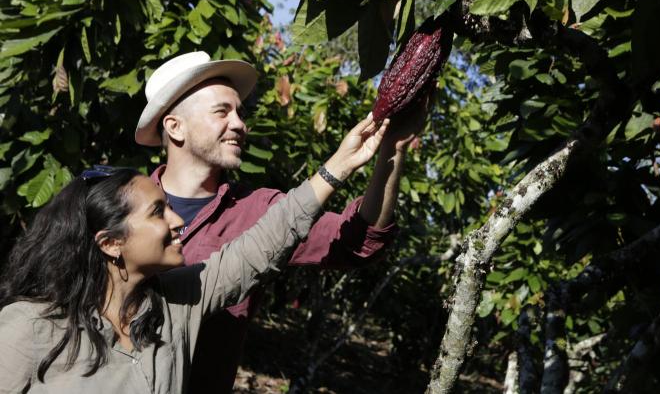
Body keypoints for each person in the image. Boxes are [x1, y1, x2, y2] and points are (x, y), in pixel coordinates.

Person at [0, 115, 388, 393]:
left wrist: (341, 164)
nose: (177, 220)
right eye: (157, 212)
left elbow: (264, 243)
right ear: (110, 243)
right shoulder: (28, 328)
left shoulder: (177, 305)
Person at [134, 51, 423, 392]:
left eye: (240, 112)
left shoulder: (260, 211)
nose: (240, 124)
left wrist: (392, 151)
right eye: (221, 112)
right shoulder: (119, 206)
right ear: (175, 126)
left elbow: (360, 242)